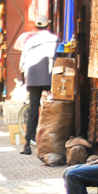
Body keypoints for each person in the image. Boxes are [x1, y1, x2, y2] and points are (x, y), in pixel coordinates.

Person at [19, 15, 60, 155]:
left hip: (33, 78)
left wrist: (24, 77)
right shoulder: (55, 39)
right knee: (54, 106)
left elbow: (22, 61)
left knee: (33, 109)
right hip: (50, 76)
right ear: (48, 25)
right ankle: (54, 141)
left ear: (36, 26)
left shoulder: (30, 41)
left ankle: (27, 145)